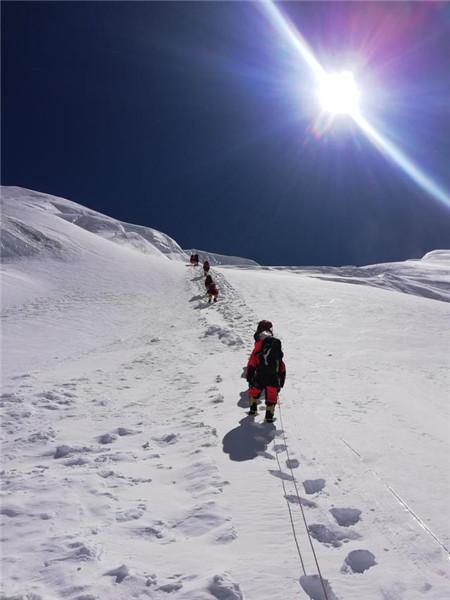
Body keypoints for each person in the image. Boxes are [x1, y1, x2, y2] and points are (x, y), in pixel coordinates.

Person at [246, 320, 286, 422]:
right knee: (272, 394)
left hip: (260, 373)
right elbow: (281, 364)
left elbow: (252, 361)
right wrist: (281, 380)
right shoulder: (275, 345)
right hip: (273, 375)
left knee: (254, 390)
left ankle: (253, 410)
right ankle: (269, 416)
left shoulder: (259, 344)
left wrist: (249, 375)